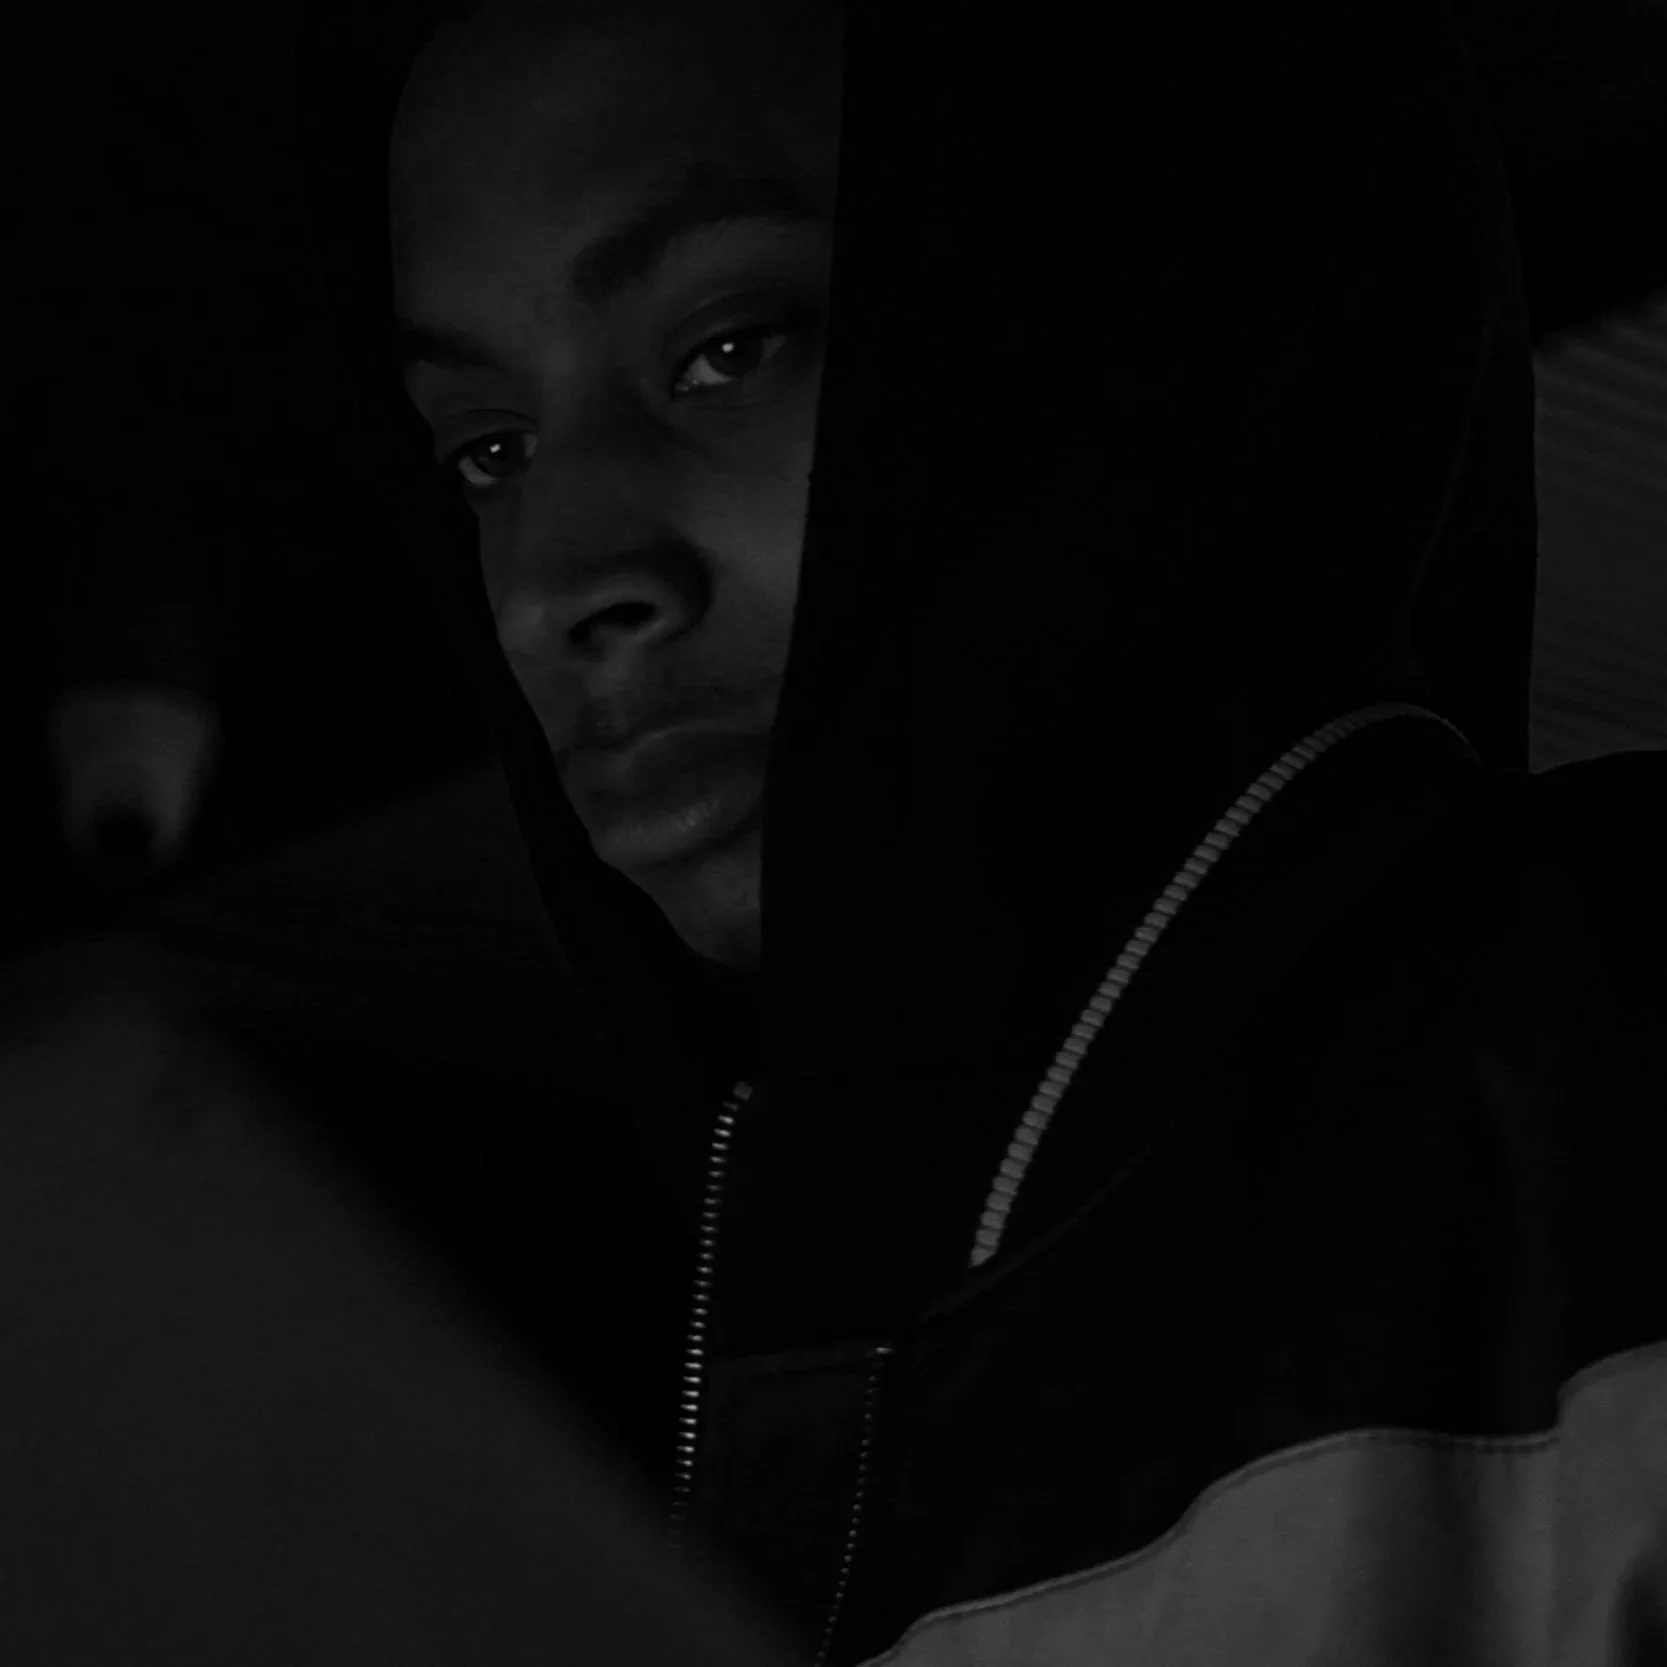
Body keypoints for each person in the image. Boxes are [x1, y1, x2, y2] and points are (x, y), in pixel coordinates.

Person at [309, 0, 1665, 1660]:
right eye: (489, 448)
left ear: (1136, 297)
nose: (552, 582)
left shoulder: (1614, 1039)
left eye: (731, 342)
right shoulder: (685, 1353)